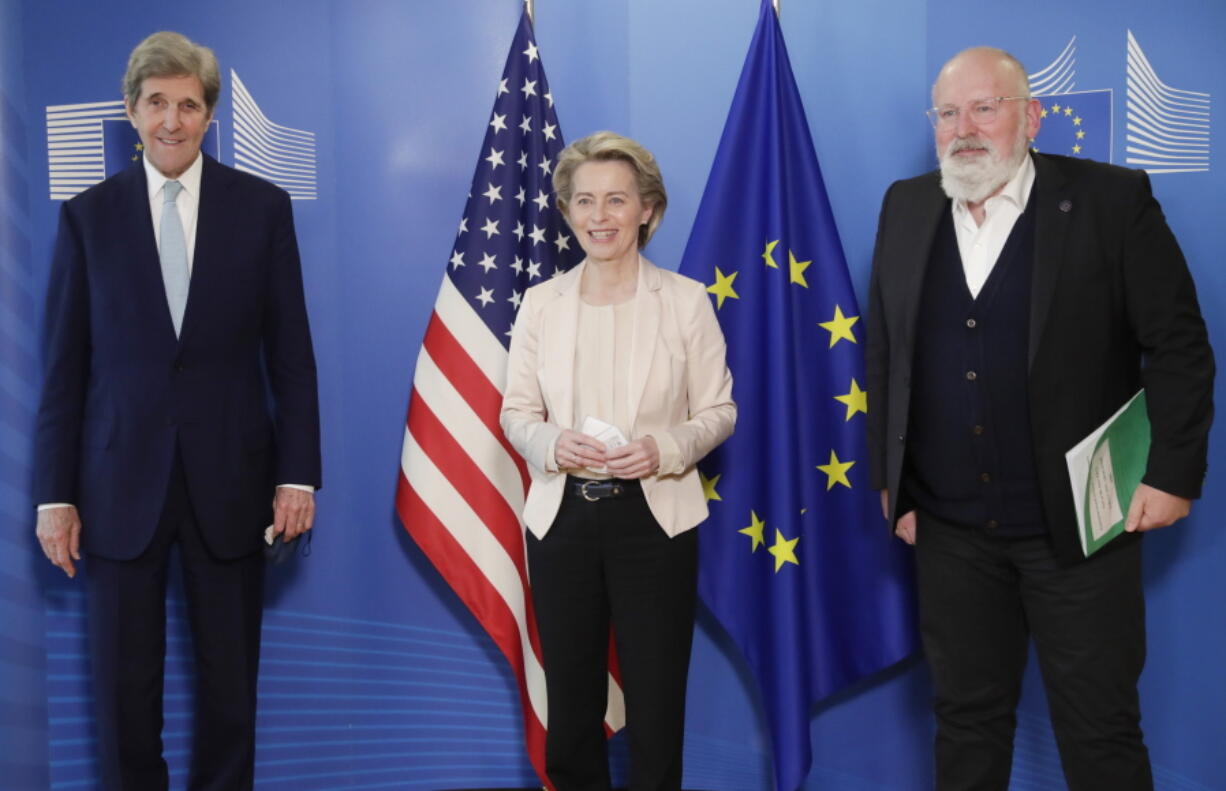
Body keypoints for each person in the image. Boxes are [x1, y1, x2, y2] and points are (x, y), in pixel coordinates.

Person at [866, 46, 1214, 791]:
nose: (966, 128)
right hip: (949, 531)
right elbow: (884, 356)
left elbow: (1180, 346)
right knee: (965, 723)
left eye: (985, 108)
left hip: (1083, 526)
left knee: (1100, 731)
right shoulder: (906, 204)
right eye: (949, 113)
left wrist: (1171, 472)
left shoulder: (1112, 201)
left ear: (1031, 117)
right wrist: (892, 485)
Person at [33, 31, 321, 790]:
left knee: (231, 694)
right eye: (156, 103)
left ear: (209, 115)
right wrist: (55, 497)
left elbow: (291, 356)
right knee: (125, 698)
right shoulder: (87, 218)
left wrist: (299, 474)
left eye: (187, 105)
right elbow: (63, 373)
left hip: (231, 484)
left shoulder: (261, 209)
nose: (171, 120)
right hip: (117, 488)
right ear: (131, 111)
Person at [501, 131, 735, 791]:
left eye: (615, 200)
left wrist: (665, 448)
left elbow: (720, 411)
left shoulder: (686, 301)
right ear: (569, 212)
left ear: (647, 210)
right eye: (584, 201)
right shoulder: (540, 303)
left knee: (658, 700)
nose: (599, 215)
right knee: (571, 699)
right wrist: (550, 443)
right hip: (562, 520)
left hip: (655, 521)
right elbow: (515, 410)